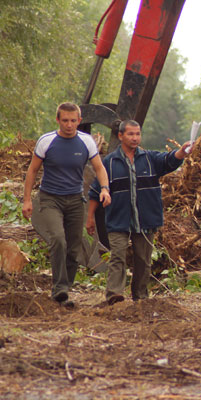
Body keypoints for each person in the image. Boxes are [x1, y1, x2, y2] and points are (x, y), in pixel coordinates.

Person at [86, 120, 192, 305]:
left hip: (145, 218)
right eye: (130, 134)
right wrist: (90, 219)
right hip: (118, 218)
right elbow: (95, 192)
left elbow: (169, 160)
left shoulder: (150, 159)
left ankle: (140, 298)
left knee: (143, 260)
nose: (135, 138)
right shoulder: (109, 163)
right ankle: (114, 296)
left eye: (137, 134)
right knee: (117, 256)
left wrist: (181, 152)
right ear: (120, 136)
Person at [22, 102, 111, 308]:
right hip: (50, 198)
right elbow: (32, 171)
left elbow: (99, 168)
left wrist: (105, 188)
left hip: (75, 199)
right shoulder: (47, 141)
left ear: (79, 121)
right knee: (58, 240)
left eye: (73, 121)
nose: (69, 125)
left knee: (73, 248)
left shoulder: (86, 141)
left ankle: (65, 291)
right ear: (58, 120)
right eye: (65, 121)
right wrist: (27, 200)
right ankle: (59, 288)